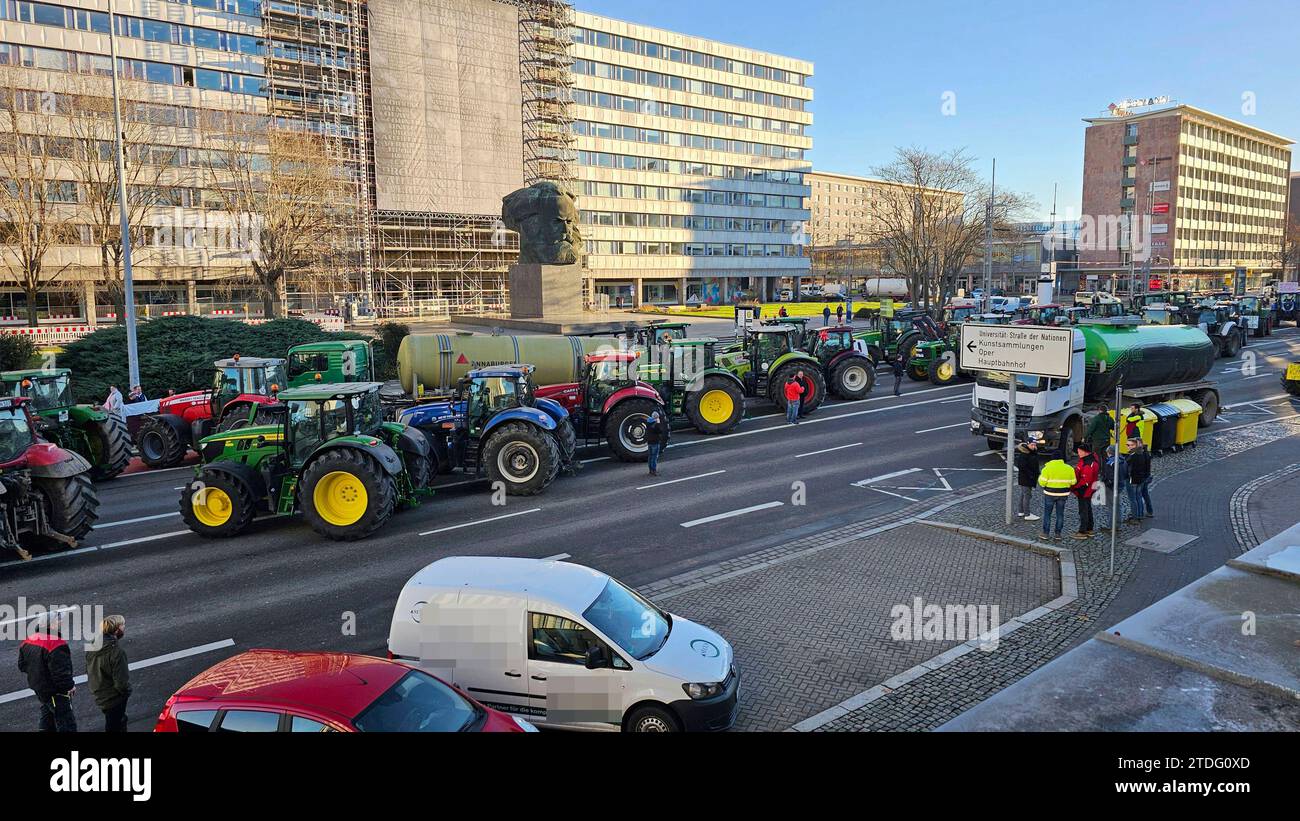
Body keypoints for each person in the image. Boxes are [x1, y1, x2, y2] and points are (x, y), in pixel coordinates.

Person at [18, 613, 77, 732]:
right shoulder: (57, 644)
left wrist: (38, 673)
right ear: (51, 625)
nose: (61, 623)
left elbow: (22, 665)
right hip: (55, 691)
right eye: (58, 621)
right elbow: (61, 673)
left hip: (39, 688)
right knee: (66, 723)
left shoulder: (28, 641)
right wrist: (69, 686)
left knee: (47, 715)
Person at [86, 614, 131, 733]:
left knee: (115, 721)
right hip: (113, 697)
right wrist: (127, 692)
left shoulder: (93, 644)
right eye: (123, 625)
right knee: (116, 724)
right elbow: (121, 682)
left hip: (99, 691)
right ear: (117, 630)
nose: (124, 627)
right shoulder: (116, 652)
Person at [1037, 456, 1076, 541]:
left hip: (1049, 494)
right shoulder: (1069, 468)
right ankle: (1058, 534)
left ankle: (1045, 533)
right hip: (1063, 494)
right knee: (1060, 514)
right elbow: (1073, 482)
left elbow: (1042, 482)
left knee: (1047, 514)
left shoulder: (1047, 468)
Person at [1070, 443, 1100, 539]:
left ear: (1085, 452)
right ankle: (1089, 529)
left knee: (1083, 510)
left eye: (1079, 451)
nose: (1077, 453)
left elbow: (1086, 481)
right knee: (1087, 508)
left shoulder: (1088, 464)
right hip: (1088, 489)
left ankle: (1083, 531)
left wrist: (1076, 488)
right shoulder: (1087, 460)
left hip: (1084, 490)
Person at [1126, 438, 1154, 521]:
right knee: (1141, 496)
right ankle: (1141, 513)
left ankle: (1138, 514)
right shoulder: (1143, 453)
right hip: (1142, 477)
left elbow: (1133, 468)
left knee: (1139, 496)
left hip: (1140, 478)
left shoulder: (1139, 454)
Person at [1100, 444, 1129, 525]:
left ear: (1110, 453)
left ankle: (1111, 525)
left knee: (1111, 507)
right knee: (1118, 505)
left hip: (1111, 487)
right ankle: (1118, 524)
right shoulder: (1123, 461)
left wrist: (1105, 483)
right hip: (1120, 486)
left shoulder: (1110, 463)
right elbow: (1126, 474)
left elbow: (1109, 476)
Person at [1014, 441, 1041, 521]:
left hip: (1027, 478)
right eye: (1032, 445)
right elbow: (1022, 467)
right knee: (1027, 495)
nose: (1033, 446)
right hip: (1026, 478)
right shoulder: (1025, 454)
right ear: (1027, 445)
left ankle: (1021, 511)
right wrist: (1031, 475)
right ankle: (1027, 514)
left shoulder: (1031, 452)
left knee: (1023, 494)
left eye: (1034, 445)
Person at [644, 411, 669, 476]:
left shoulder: (648, 423)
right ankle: (654, 471)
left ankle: (650, 470)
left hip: (649, 442)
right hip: (655, 442)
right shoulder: (655, 424)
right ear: (656, 417)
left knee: (650, 457)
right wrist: (658, 423)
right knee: (654, 457)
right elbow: (660, 431)